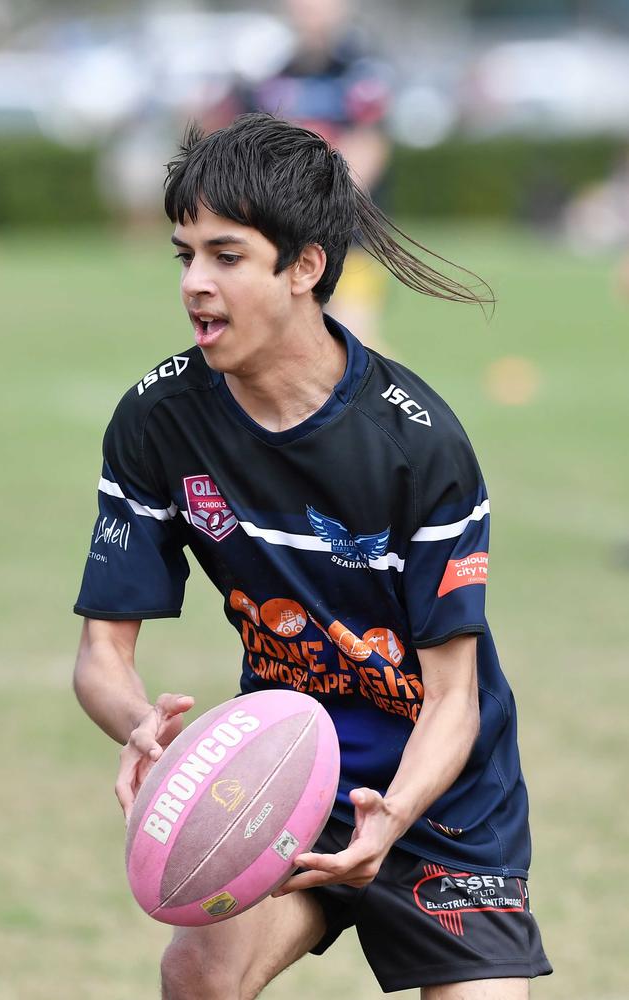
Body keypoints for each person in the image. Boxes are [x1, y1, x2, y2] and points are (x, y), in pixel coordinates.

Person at [73, 113, 552, 999]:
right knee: (199, 975)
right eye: (185, 256)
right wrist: (137, 723)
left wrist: (395, 816)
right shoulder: (157, 421)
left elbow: (454, 695)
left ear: (304, 269)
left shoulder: (418, 445)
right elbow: (104, 654)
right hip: (287, 777)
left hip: (443, 801)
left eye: (227, 256)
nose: (195, 285)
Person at [208, 0, 392, 346]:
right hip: (281, 231)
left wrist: (323, 200)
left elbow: (369, 146)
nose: (312, 9)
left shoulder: (360, 71)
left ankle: (388, 398)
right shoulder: (271, 74)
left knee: (355, 340)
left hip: (348, 234)